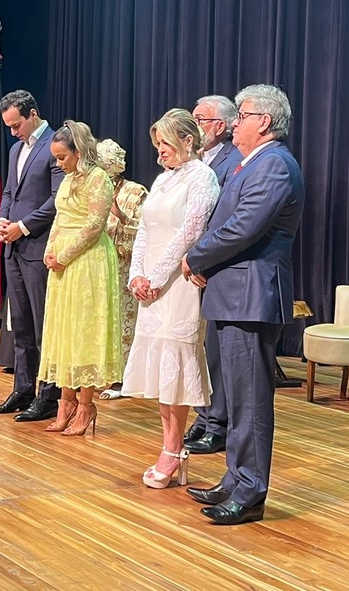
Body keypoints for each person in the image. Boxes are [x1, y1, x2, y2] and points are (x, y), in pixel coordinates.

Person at [182, 84, 305, 525]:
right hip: (231, 294)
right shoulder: (249, 164)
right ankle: (235, 479)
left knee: (250, 400)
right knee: (234, 397)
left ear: (265, 122)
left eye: (244, 114)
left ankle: (251, 492)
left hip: (251, 297)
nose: (236, 122)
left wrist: (195, 257)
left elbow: (242, 228)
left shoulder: (274, 166)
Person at [121, 110, 220, 487]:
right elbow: (146, 230)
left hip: (179, 284)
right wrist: (137, 276)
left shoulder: (203, 177)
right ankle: (168, 445)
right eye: (157, 145)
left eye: (165, 143)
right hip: (152, 286)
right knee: (159, 367)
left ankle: (174, 449)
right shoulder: (163, 179)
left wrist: (159, 278)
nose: (160, 152)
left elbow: (190, 233)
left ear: (188, 141)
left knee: (176, 367)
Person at [37, 121, 123, 436]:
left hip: (88, 261)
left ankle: (86, 404)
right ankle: (66, 401)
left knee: (84, 331)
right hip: (63, 262)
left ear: (79, 151)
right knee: (64, 330)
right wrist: (50, 252)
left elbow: (95, 225)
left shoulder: (98, 178)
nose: (59, 164)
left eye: (62, 157)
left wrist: (64, 255)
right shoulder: (68, 178)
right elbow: (59, 217)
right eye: (56, 158)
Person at [0, 90, 64, 422]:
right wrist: (3, 219)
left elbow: (57, 198)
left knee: (41, 323)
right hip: (13, 247)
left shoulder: (55, 145)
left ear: (33, 114)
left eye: (17, 124)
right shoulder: (17, 148)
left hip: (38, 247)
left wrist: (23, 226)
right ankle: (23, 388)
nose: (13, 132)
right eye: (8, 126)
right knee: (19, 323)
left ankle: (48, 395)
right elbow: (9, 190)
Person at [185, 94, 244, 455]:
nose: (193, 127)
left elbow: (221, 220)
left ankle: (218, 423)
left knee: (216, 354)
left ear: (219, 126)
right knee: (197, 348)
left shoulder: (233, 161)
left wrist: (201, 262)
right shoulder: (196, 159)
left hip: (213, 269)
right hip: (192, 267)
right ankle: (204, 416)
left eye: (199, 119)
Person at [95, 139, 149, 400]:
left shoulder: (136, 192)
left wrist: (121, 216)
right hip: (95, 267)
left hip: (124, 267)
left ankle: (123, 379)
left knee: (124, 323)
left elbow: (146, 230)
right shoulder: (92, 189)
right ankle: (97, 373)